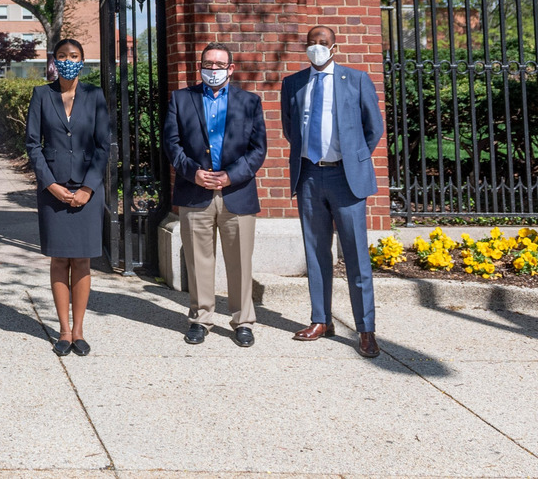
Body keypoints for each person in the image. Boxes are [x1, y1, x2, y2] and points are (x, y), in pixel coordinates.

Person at [280, 25, 386, 358]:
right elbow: (289, 128)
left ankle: (365, 329)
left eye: (322, 43)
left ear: (334, 46)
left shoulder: (356, 79)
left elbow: (374, 128)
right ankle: (321, 320)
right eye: (311, 43)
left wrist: (353, 158)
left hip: (346, 178)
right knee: (316, 253)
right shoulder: (293, 84)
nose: (316, 48)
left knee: (356, 256)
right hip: (310, 175)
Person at [163, 41, 267, 348]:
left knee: (240, 262)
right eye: (208, 64)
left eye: (220, 65)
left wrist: (231, 174)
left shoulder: (250, 101)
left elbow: (258, 148)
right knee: (198, 261)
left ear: (231, 68)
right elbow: (172, 143)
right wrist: (191, 171)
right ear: (200, 67)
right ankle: (200, 318)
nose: (213, 70)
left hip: (237, 193)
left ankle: (243, 321)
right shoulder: (181, 99)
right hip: (195, 191)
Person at [24, 38, 112, 356]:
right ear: (54, 61)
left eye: (74, 56)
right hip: (53, 190)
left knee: (83, 260)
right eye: (62, 56)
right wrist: (50, 184)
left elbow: (103, 145)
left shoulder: (95, 95)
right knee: (60, 259)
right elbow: (33, 144)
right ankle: (63, 331)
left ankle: (79, 331)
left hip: (88, 190)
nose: (68, 60)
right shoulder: (41, 95)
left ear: (82, 60)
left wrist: (88, 187)